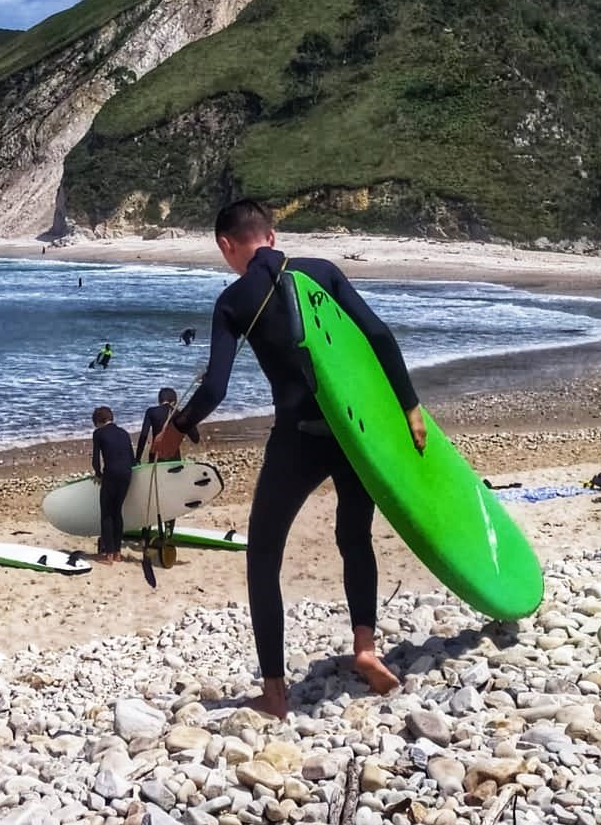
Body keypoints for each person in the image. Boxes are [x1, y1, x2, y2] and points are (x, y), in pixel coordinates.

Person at [153, 198, 425, 718]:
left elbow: (215, 388)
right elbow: (378, 335)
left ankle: (275, 693)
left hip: (297, 437)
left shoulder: (234, 300)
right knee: (354, 536)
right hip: (353, 431)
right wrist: (409, 407)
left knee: (264, 556)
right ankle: (365, 647)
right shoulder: (322, 272)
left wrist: (178, 430)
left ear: (226, 246)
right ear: (273, 237)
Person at [92, 406, 134, 564]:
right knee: (118, 512)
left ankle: (108, 554)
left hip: (111, 474)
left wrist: (98, 475)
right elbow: (131, 457)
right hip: (126, 474)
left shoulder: (98, 433)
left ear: (98, 422)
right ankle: (117, 552)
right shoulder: (124, 433)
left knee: (107, 513)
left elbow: (96, 459)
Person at [136, 387, 178, 463]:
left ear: (159, 400)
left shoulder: (151, 411)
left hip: (156, 455)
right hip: (175, 457)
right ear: (174, 401)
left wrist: (137, 458)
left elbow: (144, 436)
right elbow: (195, 438)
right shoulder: (178, 413)